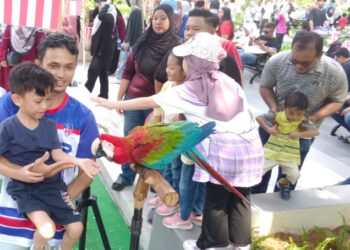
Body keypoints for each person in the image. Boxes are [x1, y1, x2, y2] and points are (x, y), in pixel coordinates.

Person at [92, 32, 264, 250]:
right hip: (251, 146)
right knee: (239, 198)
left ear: (193, 62)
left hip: (225, 152)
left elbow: (150, 100)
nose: (183, 63)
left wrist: (111, 104)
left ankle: (212, 244)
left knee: (216, 201)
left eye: (184, 59)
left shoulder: (191, 89)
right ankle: (241, 244)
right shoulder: (227, 80)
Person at [0, 32, 100, 249]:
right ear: (38, 64)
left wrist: (57, 203)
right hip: (11, 218)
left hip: (56, 217)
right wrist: (21, 174)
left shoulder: (83, 117)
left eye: (68, 67)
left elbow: (87, 174)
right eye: (53, 65)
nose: (60, 75)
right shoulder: (11, 102)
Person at [252, 31, 347, 194]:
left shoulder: (334, 72)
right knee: (259, 167)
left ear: (320, 55)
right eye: (295, 61)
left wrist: (314, 117)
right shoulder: (277, 61)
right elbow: (265, 86)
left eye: (306, 63)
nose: (299, 66)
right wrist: (274, 107)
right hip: (274, 122)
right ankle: (255, 196)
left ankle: (281, 196)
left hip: (303, 131)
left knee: (290, 171)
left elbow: (338, 100)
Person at [111, 4, 179, 191]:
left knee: (154, 144)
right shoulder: (142, 41)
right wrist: (120, 99)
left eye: (163, 18)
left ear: (171, 20)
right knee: (130, 140)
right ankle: (126, 175)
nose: (158, 22)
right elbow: (128, 70)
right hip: (133, 99)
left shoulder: (177, 47)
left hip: (158, 105)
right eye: (155, 18)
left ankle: (151, 178)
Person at [256, 92, 319, 200]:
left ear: (304, 112)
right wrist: (269, 130)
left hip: (289, 155)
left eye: (299, 114)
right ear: (285, 108)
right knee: (258, 171)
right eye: (291, 113)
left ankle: (284, 184)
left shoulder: (303, 121)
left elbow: (316, 132)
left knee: (295, 174)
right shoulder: (277, 116)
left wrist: (299, 134)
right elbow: (258, 118)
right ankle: (247, 188)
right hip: (271, 152)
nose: (295, 117)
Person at [184, 8, 243, 85]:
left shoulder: (225, 59)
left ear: (212, 32)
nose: (189, 33)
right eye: (187, 28)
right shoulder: (180, 54)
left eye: (196, 29)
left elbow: (237, 88)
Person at [85, 0, 116, 99]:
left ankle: (85, 93)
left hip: (102, 51)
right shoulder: (104, 16)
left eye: (101, 5)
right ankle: (104, 94)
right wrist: (101, 6)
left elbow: (100, 16)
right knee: (103, 73)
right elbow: (95, 14)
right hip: (102, 50)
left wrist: (106, 4)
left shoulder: (110, 16)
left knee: (92, 73)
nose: (99, 7)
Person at [0, 25, 45, 91]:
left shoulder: (37, 29)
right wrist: (3, 58)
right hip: (14, 63)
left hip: (29, 65)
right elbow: (4, 44)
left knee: (28, 89)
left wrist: (40, 59)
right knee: (13, 89)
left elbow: (41, 46)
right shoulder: (11, 26)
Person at [115, 7, 144, 83]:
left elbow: (129, 30)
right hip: (135, 44)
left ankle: (119, 77)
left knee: (123, 61)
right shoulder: (141, 23)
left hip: (128, 43)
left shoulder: (132, 18)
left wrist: (126, 41)